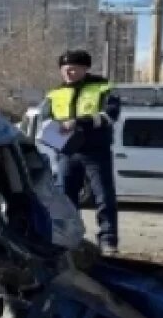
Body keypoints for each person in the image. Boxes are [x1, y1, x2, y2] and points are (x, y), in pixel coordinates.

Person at [41, 50, 121, 254]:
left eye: (74, 69)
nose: (69, 73)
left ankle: (108, 240)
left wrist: (78, 123)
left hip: (95, 150)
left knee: (103, 196)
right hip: (67, 152)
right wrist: (52, 129)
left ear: (85, 69)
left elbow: (110, 115)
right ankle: (71, 239)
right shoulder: (54, 93)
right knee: (66, 199)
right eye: (65, 69)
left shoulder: (103, 87)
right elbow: (45, 118)